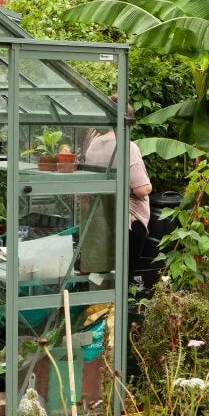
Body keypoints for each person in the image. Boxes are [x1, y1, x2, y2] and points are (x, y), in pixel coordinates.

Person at [78, 95, 152, 283]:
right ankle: (119, 312)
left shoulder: (94, 145)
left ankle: (105, 309)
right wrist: (150, 185)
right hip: (129, 220)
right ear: (128, 121)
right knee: (125, 276)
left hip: (104, 219)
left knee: (108, 274)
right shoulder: (128, 147)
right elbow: (142, 188)